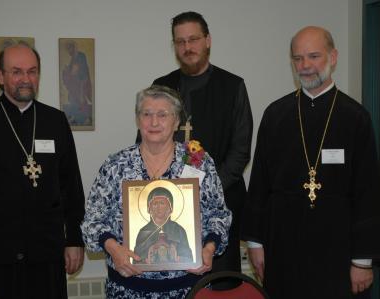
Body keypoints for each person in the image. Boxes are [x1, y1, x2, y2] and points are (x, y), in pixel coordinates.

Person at [242, 26, 380, 299]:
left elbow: (368, 192)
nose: (305, 66)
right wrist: (255, 243)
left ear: (333, 57)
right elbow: (260, 182)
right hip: (284, 247)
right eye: (298, 58)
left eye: (314, 56)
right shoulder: (275, 114)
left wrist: (363, 261)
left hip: (338, 251)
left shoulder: (356, 117)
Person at [0, 43, 85, 298]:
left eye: (32, 72)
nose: (26, 79)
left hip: (45, 255)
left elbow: (71, 187)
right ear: (0, 76)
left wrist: (75, 239)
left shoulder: (55, 121)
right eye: (17, 72)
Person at [81, 85, 232, 298]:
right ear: (137, 119)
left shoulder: (199, 163)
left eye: (162, 115)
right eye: (147, 114)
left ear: (176, 121)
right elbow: (92, 221)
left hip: (188, 290)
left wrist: (208, 249)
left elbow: (219, 216)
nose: (153, 122)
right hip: (128, 290)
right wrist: (114, 249)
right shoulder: (116, 165)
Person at [141, 12, 253, 287]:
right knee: (175, 286)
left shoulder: (233, 86)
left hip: (220, 208)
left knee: (218, 288)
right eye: (180, 42)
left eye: (193, 39)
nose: (187, 47)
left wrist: (202, 193)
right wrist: (175, 197)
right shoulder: (161, 86)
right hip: (170, 212)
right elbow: (145, 145)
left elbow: (240, 151)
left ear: (208, 41)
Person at [134, 187, 193, 264]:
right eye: (155, 204)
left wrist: (176, 256)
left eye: (162, 203)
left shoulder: (178, 230)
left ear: (170, 208)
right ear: (149, 209)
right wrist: (149, 255)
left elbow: (189, 259)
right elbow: (136, 261)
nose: (159, 207)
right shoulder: (144, 232)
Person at [62, 40, 92, 126]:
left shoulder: (81, 56)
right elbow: (72, 72)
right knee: (72, 99)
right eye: (67, 49)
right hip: (74, 86)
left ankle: (86, 118)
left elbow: (83, 73)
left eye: (69, 48)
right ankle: (75, 117)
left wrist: (82, 91)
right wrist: (67, 70)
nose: (69, 51)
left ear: (73, 48)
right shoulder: (73, 59)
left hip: (81, 85)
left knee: (80, 101)